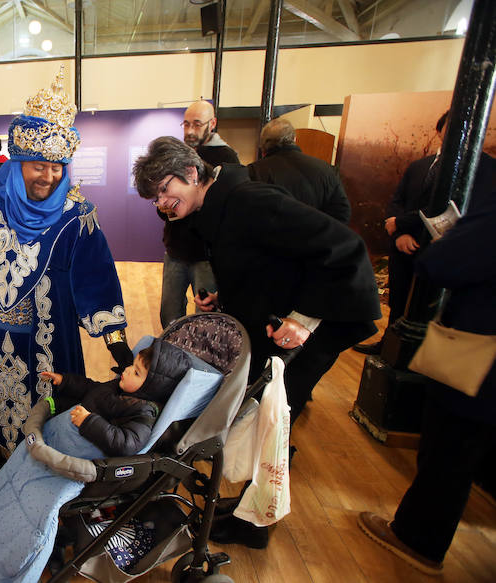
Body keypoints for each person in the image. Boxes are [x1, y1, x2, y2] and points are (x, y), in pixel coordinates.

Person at [133, 136, 380, 547]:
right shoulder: (218, 205)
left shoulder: (250, 200)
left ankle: (255, 526)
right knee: (265, 418)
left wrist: (304, 318)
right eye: (154, 197)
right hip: (275, 324)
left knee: (273, 424)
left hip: (315, 329)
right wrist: (222, 298)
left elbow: (343, 245)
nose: (161, 203)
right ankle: (250, 505)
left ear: (192, 174)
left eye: (165, 190)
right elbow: (263, 263)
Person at [0, 67, 132, 473]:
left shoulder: (78, 213)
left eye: (57, 167)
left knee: (47, 395)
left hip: (50, 332)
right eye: (39, 165)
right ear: (19, 160)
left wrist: (116, 341)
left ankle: (42, 453)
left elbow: (96, 276)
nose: (49, 176)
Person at [358, 152, 496, 575]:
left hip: (479, 356)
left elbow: (442, 263)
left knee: (448, 449)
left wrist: (446, 237)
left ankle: (418, 538)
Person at [355, 111, 454, 354]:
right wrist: (399, 234)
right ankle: (388, 346)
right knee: (398, 299)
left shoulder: (476, 169)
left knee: (434, 306)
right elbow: (397, 199)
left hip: (441, 247)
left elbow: (445, 208)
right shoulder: (419, 166)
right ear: (439, 130)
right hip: (403, 245)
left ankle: (422, 355)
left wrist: (400, 222)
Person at [159, 100, 240, 329]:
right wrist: (165, 209)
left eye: (196, 124)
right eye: (186, 124)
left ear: (212, 123)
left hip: (205, 254)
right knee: (169, 314)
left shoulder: (227, 158)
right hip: (175, 249)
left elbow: (225, 209)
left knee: (204, 317)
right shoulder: (178, 154)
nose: (190, 131)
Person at [38, 339, 191, 457]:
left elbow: (126, 444)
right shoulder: (121, 387)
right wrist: (65, 380)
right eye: (132, 365)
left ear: (151, 387)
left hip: (87, 450)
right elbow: (94, 389)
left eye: (136, 372)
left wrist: (88, 422)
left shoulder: (144, 411)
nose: (128, 369)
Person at [248, 118, 351, 223]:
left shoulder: (254, 171)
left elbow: (247, 214)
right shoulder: (326, 169)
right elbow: (342, 213)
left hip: (270, 237)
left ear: (263, 145)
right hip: (314, 236)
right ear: (294, 139)